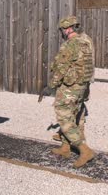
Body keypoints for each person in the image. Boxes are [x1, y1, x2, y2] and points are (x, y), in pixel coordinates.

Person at [39, 15, 95, 168]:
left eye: (63, 29)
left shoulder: (69, 45)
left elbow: (61, 69)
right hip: (81, 86)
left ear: (68, 29)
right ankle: (65, 148)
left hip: (70, 88)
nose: (62, 32)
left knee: (63, 116)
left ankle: (85, 151)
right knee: (74, 114)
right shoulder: (85, 42)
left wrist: (50, 85)